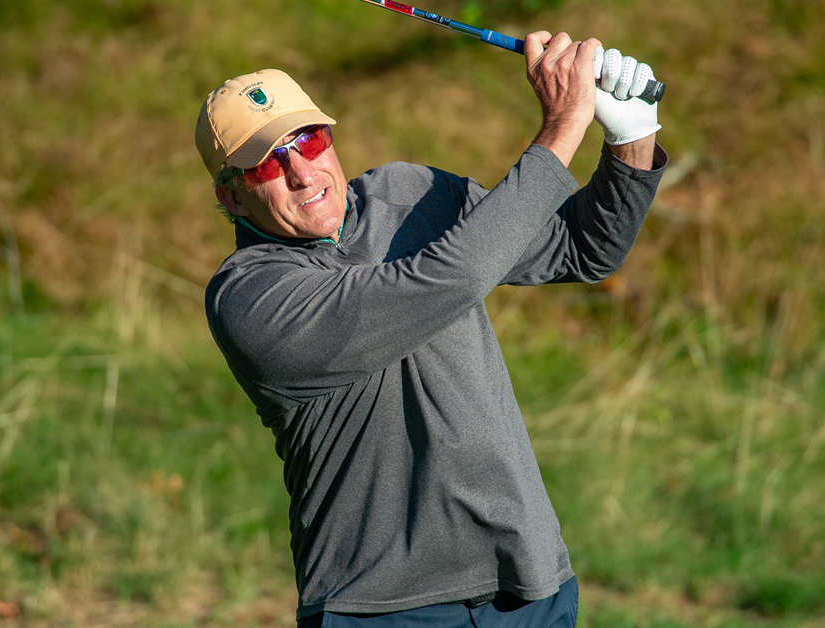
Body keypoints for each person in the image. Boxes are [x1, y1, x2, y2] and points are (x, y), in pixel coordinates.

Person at [195, 31, 666, 627]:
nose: (299, 170)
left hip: (529, 587)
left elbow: (582, 248)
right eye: (265, 161)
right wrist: (564, 126)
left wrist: (631, 137)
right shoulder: (249, 297)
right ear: (232, 197)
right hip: (381, 608)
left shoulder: (411, 193)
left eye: (308, 139)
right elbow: (447, 281)